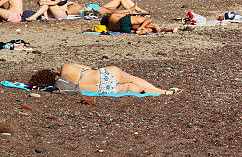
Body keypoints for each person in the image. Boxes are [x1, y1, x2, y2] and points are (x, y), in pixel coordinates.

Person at [29, 64, 179, 95]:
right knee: (131, 78)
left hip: (104, 89)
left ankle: (145, 91)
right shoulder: (66, 67)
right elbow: (87, 67)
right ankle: (162, 91)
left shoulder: (60, 87)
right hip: (105, 75)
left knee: (127, 87)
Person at [101, 10, 178, 34]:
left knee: (140, 29)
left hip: (123, 29)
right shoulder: (112, 16)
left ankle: (168, 30)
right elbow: (124, 14)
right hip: (123, 20)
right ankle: (142, 27)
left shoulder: (110, 27)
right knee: (148, 20)